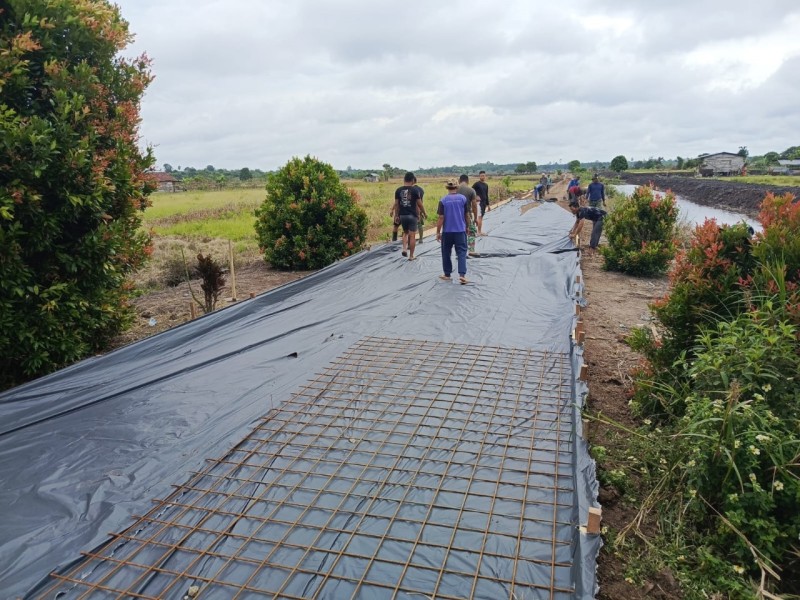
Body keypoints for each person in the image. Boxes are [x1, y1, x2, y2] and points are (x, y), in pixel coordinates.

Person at [436, 178, 471, 284]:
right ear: (457, 187)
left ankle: (447, 274)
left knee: (446, 252)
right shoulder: (463, 199)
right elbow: (467, 215)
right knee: (461, 252)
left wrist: (438, 232)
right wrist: (467, 227)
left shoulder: (443, 200)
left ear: (447, 187)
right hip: (460, 230)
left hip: (447, 231)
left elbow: (441, 217)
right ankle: (462, 275)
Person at [393, 171, 423, 260]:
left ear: (404, 179)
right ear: (413, 180)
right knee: (412, 235)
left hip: (402, 216)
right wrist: (423, 213)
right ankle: (411, 256)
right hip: (412, 216)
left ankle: (404, 249)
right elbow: (419, 204)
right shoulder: (415, 190)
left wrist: (396, 215)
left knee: (405, 233)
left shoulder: (398, 190)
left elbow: (396, 204)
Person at [457, 174, 479, 257]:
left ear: (459, 180)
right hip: (468, 215)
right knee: (471, 232)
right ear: (468, 181)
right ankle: (471, 251)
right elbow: (474, 205)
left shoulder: (455, 189)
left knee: (459, 232)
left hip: (456, 215)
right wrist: (475, 218)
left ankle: (459, 252)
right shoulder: (471, 190)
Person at [472, 170, 490, 235]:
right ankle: (479, 232)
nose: (483, 177)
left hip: (484, 203)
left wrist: (488, 205)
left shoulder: (486, 185)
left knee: (481, 216)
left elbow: (486, 195)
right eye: (481, 176)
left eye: (484, 176)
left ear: (485, 176)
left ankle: (477, 231)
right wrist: (476, 196)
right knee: (480, 217)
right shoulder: (476, 184)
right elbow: (471, 191)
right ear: (479, 176)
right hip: (479, 203)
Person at [414, 176, 427, 243]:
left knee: (411, 226)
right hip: (420, 208)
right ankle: (421, 239)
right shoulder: (421, 189)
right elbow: (421, 201)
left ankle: (411, 240)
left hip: (411, 209)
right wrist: (423, 211)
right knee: (419, 224)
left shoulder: (410, 189)